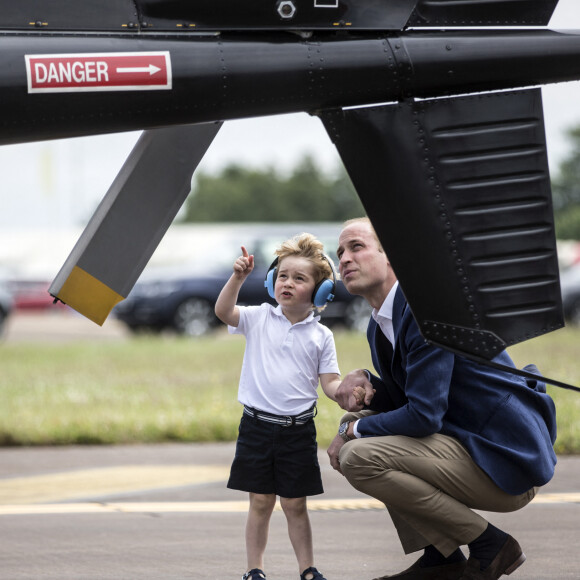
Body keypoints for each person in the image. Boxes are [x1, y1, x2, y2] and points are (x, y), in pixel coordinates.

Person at [326, 217, 557, 580]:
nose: (344, 259)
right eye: (340, 252)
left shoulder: (424, 311)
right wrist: (368, 384)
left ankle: (490, 545)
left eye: (357, 246)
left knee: (359, 454)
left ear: (392, 257)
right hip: (467, 448)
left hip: (505, 459)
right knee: (359, 428)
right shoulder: (380, 323)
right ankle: (441, 559)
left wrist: (352, 430)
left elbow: (423, 417)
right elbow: (412, 396)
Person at [215, 233, 343, 580]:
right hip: (256, 427)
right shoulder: (258, 318)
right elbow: (224, 312)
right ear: (272, 282)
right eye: (282, 275)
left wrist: (347, 391)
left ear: (319, 293)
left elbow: (329, 383)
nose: (287, 283)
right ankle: (254, 569)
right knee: (260, 502)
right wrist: (238, 277)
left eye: (299, 278)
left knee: (295, 505)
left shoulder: (321, 336)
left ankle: (307, 569)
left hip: (298, 432)